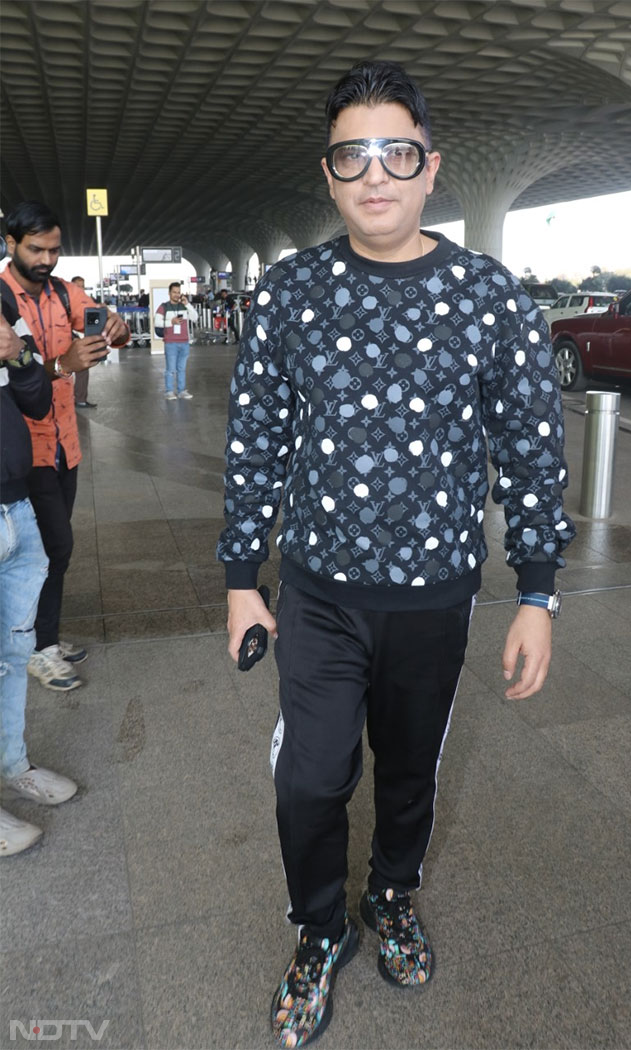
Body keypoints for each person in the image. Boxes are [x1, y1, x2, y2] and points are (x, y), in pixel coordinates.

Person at [218, 60, 576, 1048]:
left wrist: (538, 594)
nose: (375, 173)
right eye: (352, 155)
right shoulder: (290, 294)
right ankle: (320, 927)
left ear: (431, 168)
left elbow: (532, 451)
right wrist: (242, 581)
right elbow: (256, 441)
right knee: (308, 779)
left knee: (410, 770)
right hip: (321, 596)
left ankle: (393, 894)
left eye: (396, 152)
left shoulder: (488, 297)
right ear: (328, 175)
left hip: (434, 598)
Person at [1, 201, 130, 692]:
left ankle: (44, 636)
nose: (47, 259)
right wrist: (62, 365)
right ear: (11, 244)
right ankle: (33, 647)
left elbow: (104, 327)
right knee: (50, 547)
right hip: (20, 450)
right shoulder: (1, 298)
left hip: (63, 445)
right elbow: (23, 376)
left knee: (54, 549)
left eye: (54, 249)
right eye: (36, 249)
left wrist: (115, 330)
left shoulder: (63, 292)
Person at [0, 312, 79, 855]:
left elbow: (35, 400)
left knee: (12, 650)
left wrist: (16, 353)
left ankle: (13, 764)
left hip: (13, 503)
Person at [154, 282, 197, 399]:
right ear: (169, 293)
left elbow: (195, 318)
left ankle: (182, 390)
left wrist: (187, 304)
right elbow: (157, 322)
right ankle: (169, 391)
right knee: (170, 369)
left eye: (178, 292)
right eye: (174, 292)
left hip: (184, 342)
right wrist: (171, 322)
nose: (177, 295)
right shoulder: (163, 307)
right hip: (171, 342)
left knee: (182, 369)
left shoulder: (184, 306)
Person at [70, 276, 97, 408]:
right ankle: (78, 399)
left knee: (82, 368)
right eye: (78, 286)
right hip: (64, 340)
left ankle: (79, 398)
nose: (81, 289)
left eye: (83, 286)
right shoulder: (65, 302)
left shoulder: (86, 302)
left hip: (76, 338)